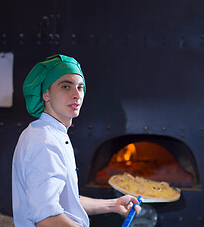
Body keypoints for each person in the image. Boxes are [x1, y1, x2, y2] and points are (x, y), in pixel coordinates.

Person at [12, 54, 141, 227]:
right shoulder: (45, 142)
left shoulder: (50, 133)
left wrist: (113, 205)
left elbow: (65, 202)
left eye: (80, 88)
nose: (76, 95)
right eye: (66, 86)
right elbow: (47, 217)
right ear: (46, 94)